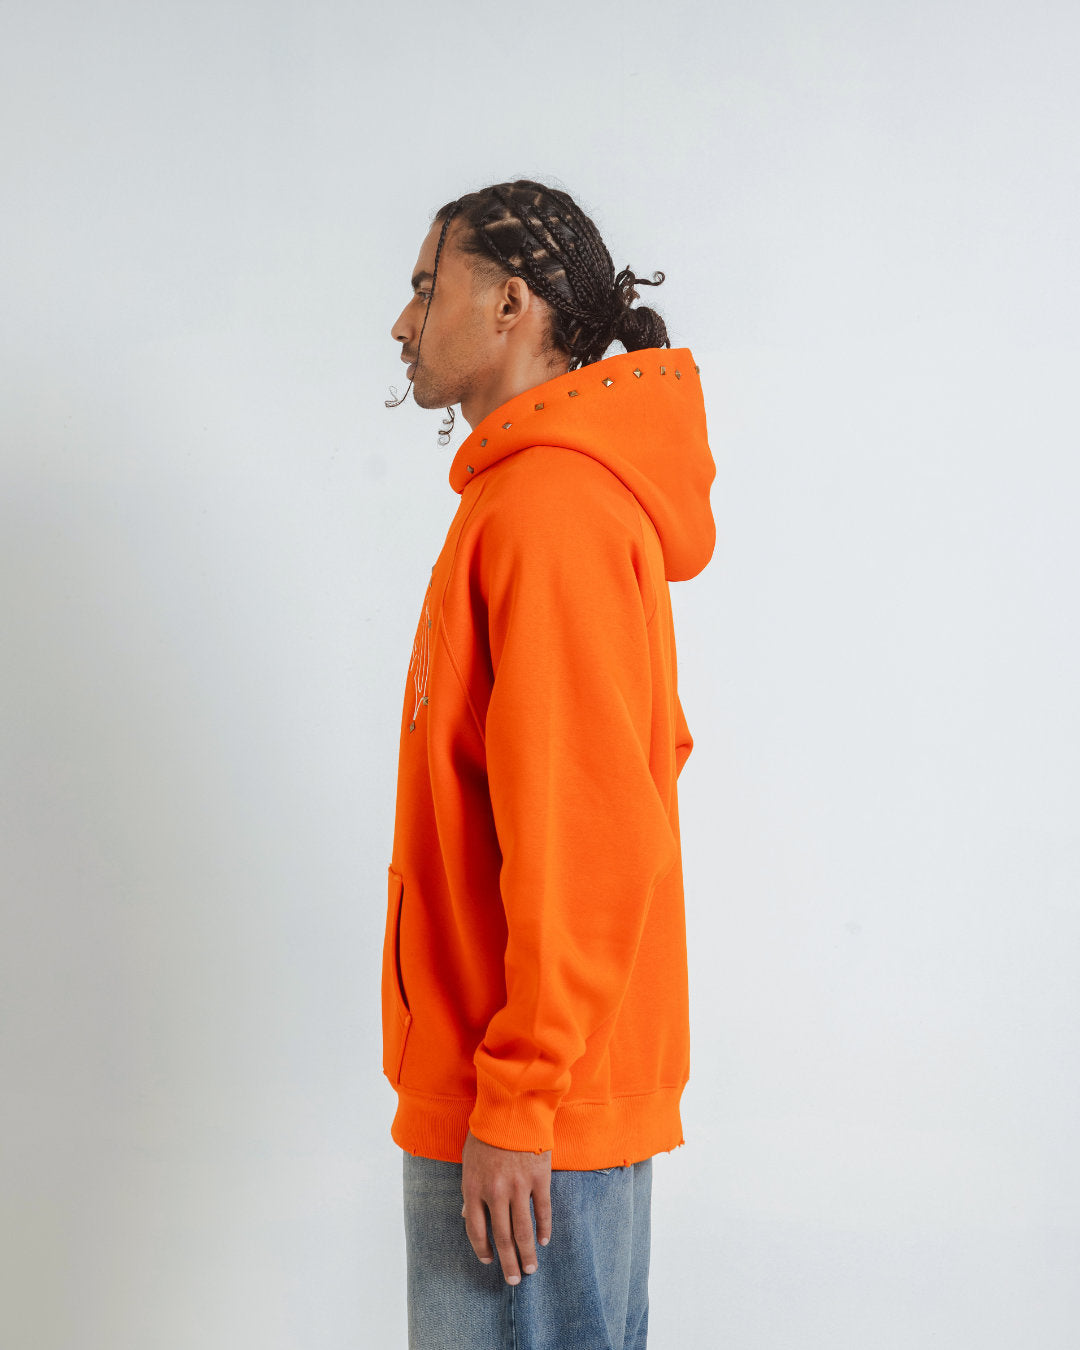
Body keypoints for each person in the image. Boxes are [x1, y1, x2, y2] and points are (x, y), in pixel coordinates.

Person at [382, 179, 716, 1350]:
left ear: (510, 302)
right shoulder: (524, 500)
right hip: (517, 1094)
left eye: (427, 288)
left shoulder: (551, 510)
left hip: (528, 1115)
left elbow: (591, 828)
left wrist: (520, 1095)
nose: (403, 323)